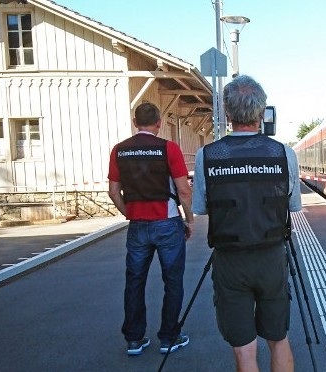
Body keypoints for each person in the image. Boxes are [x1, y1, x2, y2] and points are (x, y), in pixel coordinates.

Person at [192, 75, 302, 372]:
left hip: (230, 262)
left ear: (227, 114)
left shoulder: (207, 156)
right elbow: (293, 205)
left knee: (244, 349)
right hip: (272, 258)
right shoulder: (283, 154)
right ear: (261, 112)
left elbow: (201, 208)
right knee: (279, 338)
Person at [107, 102, 194, 356]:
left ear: (135, 123)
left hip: (137, 226)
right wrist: (189, 220)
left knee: (134, 281)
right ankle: (169, 337)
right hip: (167, 223)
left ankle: (134, 339)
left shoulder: (119, 150)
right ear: (158, 123)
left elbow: (113, 192)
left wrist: (130, 213)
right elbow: (184, 190)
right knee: (173, 280)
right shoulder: (168, 148)